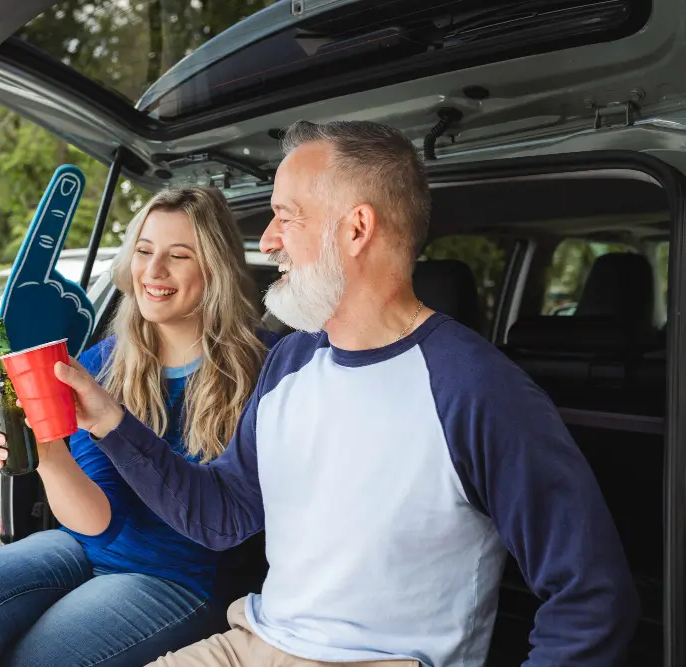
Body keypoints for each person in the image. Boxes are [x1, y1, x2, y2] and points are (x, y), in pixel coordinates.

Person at [50, 120, 641, 667]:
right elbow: (221, 517)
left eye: (287, 216)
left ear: (357, 229)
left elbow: (590, 596)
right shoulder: (288, 363)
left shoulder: (476, 387)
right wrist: (109, 420)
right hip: (257, 641)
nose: (270, 240)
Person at [0, 187, 279, 667]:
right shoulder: (100, 365)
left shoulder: (264, 369)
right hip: (88, 543)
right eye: (144, 251)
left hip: (183, 574)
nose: (154, 271)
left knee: (32, 660)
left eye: (178, 255)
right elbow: (97, 522)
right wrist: (46, 448)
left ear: (216, 269)